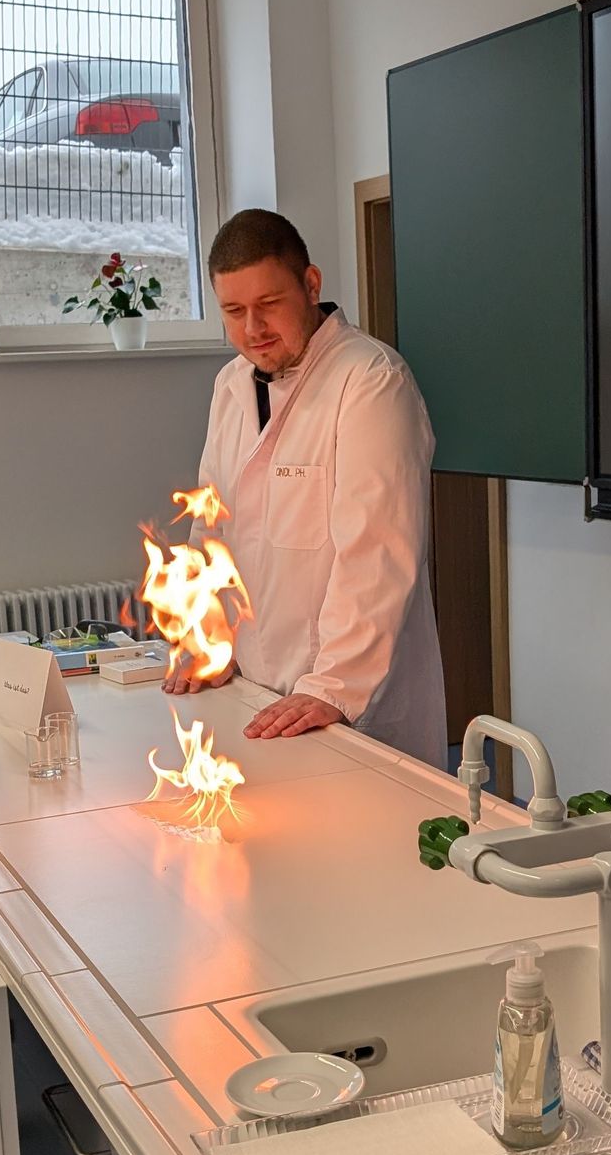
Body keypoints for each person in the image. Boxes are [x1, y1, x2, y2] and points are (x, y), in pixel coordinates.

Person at [168, 209, 445, 767]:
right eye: (233, 311)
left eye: (268, 305)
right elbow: (210, 524)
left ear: (311, 284)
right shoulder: (230, 386)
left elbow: (378, 552)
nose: (252, 329)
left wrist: (332, 688)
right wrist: (211, 639)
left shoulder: (369, 381)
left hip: (350, 703)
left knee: (362, 847)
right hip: (255, 691)